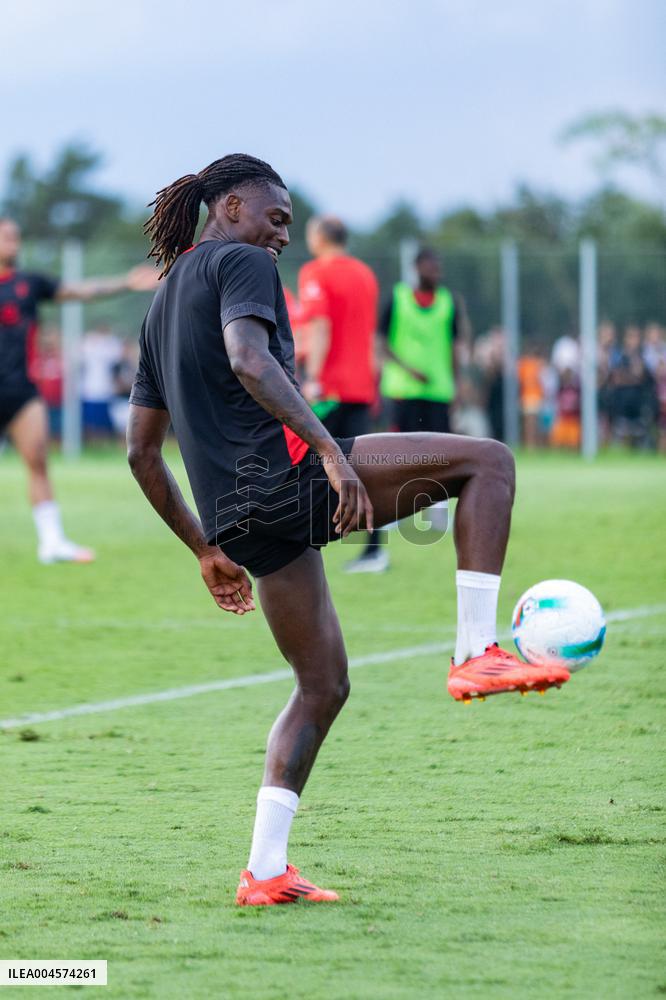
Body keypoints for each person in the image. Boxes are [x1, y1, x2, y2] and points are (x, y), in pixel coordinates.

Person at [127, 153, 570, 908]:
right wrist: (333, 454)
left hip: (241, 522)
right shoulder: (240, 261)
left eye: (292, 224)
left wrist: (207, 547)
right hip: (288, 481)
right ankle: (476, 651)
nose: (285, 236)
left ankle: (265, 871)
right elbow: (248, 358)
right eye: (277, 217)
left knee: (323, 685)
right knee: (488, 463)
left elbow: (140, 452)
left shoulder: (163, 300)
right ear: (231, 206)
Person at [0, 217, 157, 563]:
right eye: (6, 236)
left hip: (21, 393)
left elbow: (79, 291)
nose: (13, 241)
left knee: (38, 461)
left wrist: (127, 283)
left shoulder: (30, 283)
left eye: (16, 235)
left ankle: (52, 542)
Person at [298, 215, 385, 572]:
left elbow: (320, 327)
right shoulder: (365, 274)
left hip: (330, 386)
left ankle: (302, 540)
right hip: (362, 384)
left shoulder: (315, 272)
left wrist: (314, 377)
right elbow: (369, 334)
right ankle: (375, 551)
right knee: (365, 467)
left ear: (319, 237)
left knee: (304, 459)